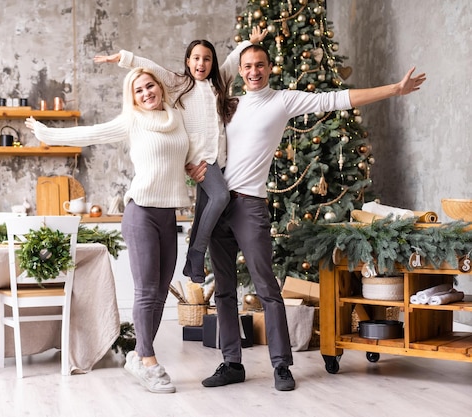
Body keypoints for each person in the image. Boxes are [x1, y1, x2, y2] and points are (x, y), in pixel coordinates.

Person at [187, 44, 426, 391]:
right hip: (216, 203)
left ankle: (282, 366)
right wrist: (192, 166)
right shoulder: (228, 106)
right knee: (224, 290)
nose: (254, 72)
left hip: (250, 205)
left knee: (267, 288)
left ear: (270, 68)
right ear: (239, 71)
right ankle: (231, 363)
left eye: (260, 66)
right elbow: (196, 138)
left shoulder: (282, 101)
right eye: (248, 66)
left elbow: (336, 99)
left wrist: (395, 89)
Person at [26, 67, 191, 394]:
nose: (145, 94)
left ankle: (139, 356)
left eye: (149, 86)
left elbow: (193, 149)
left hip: (168, 213)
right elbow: (91, 133)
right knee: (146, 290)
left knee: (160, 292)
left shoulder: (178, 118)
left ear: (159, 86)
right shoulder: (132, 121)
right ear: (132, 97)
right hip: (140, 211)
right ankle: (148, 361)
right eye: (138, 90)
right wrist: (49, 134)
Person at [94, 27, 267, 283]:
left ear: (212, 63)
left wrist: (247, 43)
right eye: (196, 58)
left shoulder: (218, 83)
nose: (201, 63)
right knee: (220, 196)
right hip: (198, 160)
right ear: (188, 61)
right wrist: (123, 58)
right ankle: (196, 254)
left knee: (205, 208)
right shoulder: (179, 84)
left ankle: (192, 261)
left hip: (217, 160)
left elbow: (232, 60)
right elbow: (151, 67)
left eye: (207, 58)